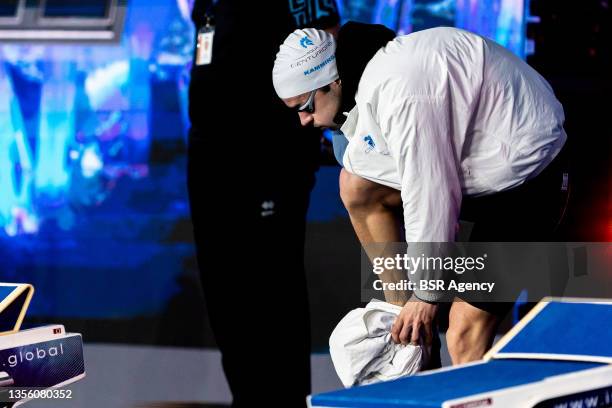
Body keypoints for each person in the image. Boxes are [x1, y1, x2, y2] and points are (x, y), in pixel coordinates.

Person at [272, 22, 569, 365]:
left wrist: (427, 294)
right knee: (354, 185)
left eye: (304, 106)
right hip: (476, 167)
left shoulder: (402, 92)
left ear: (333, 81)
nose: (304, 121)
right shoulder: (367, 83)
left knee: (463, 333)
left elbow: (430, 191)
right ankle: (402, 319)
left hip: (530, 184)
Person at [187, 1, 339, 407]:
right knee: (223, 287)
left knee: (271, 287)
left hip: (270, 154)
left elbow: (327, 36)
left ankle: (283, 400)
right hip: (209, 156)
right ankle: (248, 398)